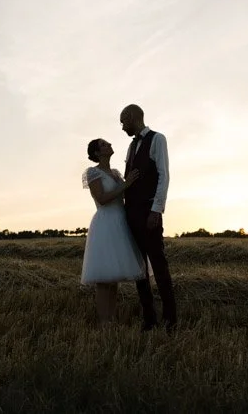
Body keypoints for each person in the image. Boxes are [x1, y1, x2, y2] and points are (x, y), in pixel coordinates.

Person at [119, 103, 177, 332]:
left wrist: (156, 210)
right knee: (139, 269)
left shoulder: (157, 139)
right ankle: (149, 319)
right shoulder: (130, 148)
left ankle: (170, 320)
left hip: (148, 212)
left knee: (159, 266)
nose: (122, 127)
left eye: (123, 121)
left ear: (132, 117)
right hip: (131, 213)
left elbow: (164, 176)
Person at [80, 138, 146, 325]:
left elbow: (126, 194)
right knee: (104, 280)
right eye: (103, 144)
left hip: (121, 222)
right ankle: (104, 322)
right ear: (96, 153)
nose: (109, 144)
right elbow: (101, 198)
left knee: (114, 277)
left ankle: (112, 319)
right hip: (105, 224)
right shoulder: (93, 172)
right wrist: (126, 185)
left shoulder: (116, 173)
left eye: (108, 143)